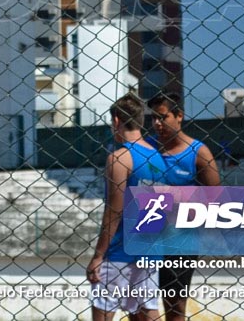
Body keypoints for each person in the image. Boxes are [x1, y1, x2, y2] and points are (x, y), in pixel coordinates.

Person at [87, 96, 167, 321]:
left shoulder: (119, 157)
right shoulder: (157, 158)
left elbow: (114, 210)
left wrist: (98, 255)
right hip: (150, 249)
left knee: (104, 311)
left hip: (119, 252)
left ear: (115, 120)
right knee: (146, 311)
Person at [147, 93, 220, 321]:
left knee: (175, 306)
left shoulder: (198, 153)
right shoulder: (146, 149)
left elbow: (216, 200)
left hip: (180, 241)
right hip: (145, 236)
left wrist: (175, 197)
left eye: (162, 117)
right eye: (153, 118)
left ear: (179, 116)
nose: (157, 123)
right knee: (139, 303)